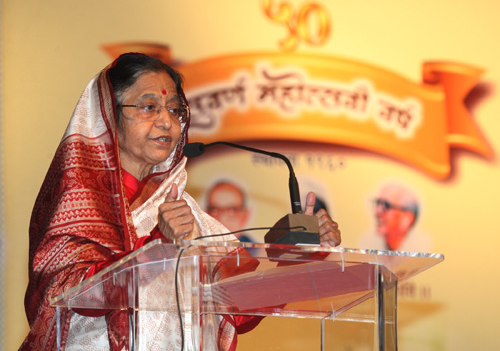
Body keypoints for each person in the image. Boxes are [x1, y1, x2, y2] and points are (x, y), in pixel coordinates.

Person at [21, 53, 341, 350]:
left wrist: (294, 255)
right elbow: (65, 296)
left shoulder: (186, 213)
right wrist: (158, 246)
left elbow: (239, 309)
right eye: (149, 107)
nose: (167, 122)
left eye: (174, 110)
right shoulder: (79, 205)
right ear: (107, 116)